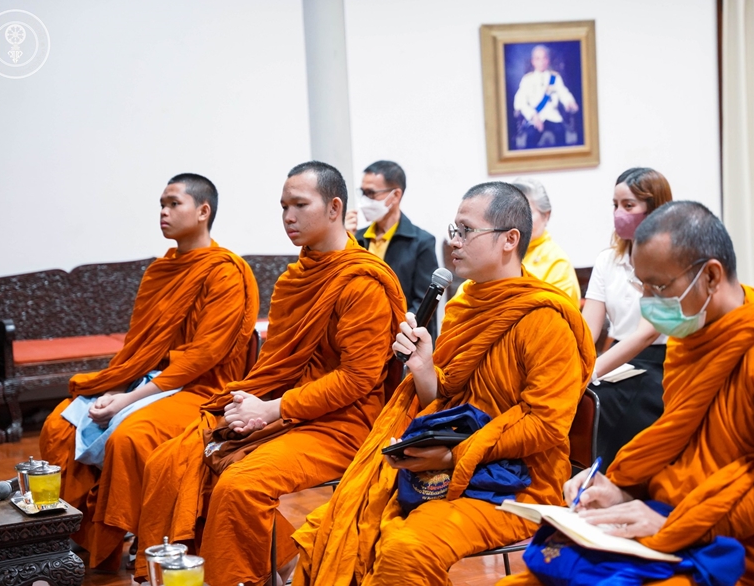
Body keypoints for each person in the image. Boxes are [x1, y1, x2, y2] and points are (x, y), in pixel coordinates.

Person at [501, 201, 754, 586]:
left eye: (659, 287)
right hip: (669, 527)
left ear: (711, 276)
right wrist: (620, 491)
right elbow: (679, 451)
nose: (648, 302)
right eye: (643, 287)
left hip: (743, 554)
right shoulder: (688, 342)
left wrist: (678, 523)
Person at [291, 181, 596, 585]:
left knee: (405, 549)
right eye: (454, 230)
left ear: (509, 240)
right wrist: (423, 370)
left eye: (466, 231)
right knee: (330, 528)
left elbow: (546, 424)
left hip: (516, 483)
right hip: (444, 465)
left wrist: (454, 457)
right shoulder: (464, 304)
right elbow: (448, 402)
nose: (454, 241)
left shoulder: (545, 318)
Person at [134, 161, 406, 586]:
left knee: (240, 483)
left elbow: (358, 379)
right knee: (174, 459)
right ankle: (270, 564)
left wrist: (272, 409)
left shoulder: (361, 281)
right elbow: (275, 365)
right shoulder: (294, 279)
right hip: (287, 411)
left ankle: (243, 576)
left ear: (334, 208)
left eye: (300, 205)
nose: (288, 217)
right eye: (283, 207)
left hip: (344, 422)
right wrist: (251, 404)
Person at [39, 173, 260, 570]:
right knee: (59, 425)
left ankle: (119, 543)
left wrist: (127, 399)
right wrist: (117, 387)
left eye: (174, 203)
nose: (163, 212)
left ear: (203, 211)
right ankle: (75, 534)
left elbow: (203, 356)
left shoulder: (226, 271)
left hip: (201, 390)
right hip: (146, 381)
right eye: (161, 204)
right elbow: (139, 346)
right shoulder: (160, 271)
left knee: (130, 436)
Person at [581, 167, 672, 466]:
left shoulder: (670, 259)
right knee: (582, 399)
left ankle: (613, 479)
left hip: (661, 362)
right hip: (617, 360)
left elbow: (647, 333)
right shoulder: (608, 260)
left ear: (654, 210)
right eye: (615, 205)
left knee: (608, 401)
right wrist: (571, 368)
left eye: (628, 205)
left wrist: (592, 372)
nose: (619, 213)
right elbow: (587, 330)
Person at [344, 160, 439, 338]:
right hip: (358, 333)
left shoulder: (421, 242)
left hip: (401, 337)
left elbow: (424, 303)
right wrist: (343, 241)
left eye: (371, 193)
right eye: (362, 193)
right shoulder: (356, 238)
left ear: (395, 195)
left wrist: (394, 330)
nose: (364, 200)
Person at [507, 177, 579, 302]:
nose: (518, 220)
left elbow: (559, 309)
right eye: (512, 212)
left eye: (526, 212)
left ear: (546, 215)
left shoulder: (557, 262)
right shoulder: (499, 252)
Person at [513, 44, 579, 149]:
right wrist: (533, 116)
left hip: (553, 116)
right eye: (538, 59)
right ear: (533, 61)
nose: (541, 62)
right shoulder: (527, 80)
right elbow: (520, 101)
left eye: (544, 58)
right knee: (531, 135)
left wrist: (570, 102)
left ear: (548, 60)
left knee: (560, 132)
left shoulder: (555, 78)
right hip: (535, 117)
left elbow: (563, 92)